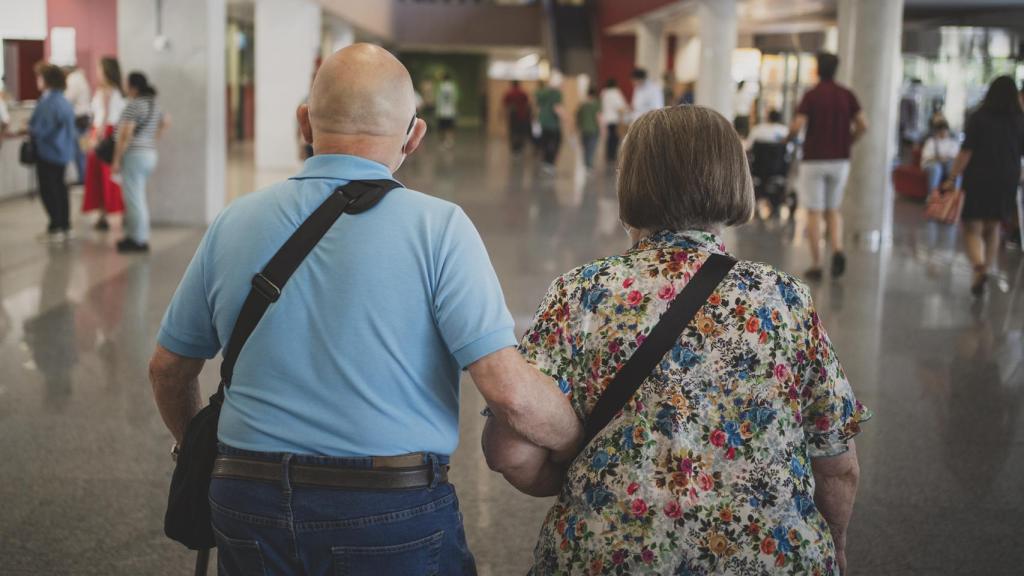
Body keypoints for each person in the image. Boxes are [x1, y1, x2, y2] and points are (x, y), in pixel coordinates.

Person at [149, 44, 582, 576]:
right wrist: (578, 440)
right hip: (386, 509)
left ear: (304, 122)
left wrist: (202, 451)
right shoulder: (439, 228)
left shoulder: (233, 222)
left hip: (245, 500)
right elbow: (509, 391)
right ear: (414, 135)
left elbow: (169, 369)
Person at [483, 105, 870, 575]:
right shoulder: (785, 299)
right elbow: (836, 461)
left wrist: (579, 481)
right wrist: (838, 542)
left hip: (608, 559)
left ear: (631, 182)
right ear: (735, 178)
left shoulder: (581, 293)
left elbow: (510, 450)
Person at [789, 52, 867, 281]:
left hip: (814, 158)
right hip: (840, 160)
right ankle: (838, 249)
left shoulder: (811, 96)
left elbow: (798, 125)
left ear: (817, 69)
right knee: (833, 210)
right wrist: (850, 140)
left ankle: (816, 264)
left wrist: (790, 135)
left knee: (814, 211)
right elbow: (864, 124)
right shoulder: (847, 95)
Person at [943, 75, 1024, 297]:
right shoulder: (1019, 119)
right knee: (993, 227)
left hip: (979, 177)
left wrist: (952, 177)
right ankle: (986, 269)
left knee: (973, 226)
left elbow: (966, 152)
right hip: (1007, 179)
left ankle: (978, 266)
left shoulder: (979, 117)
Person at [112, 72, 169, 253]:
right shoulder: (154, 105)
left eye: (127, 85)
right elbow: (166, 122)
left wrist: (116, 159)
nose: (125, 88)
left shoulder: (134, 105)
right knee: (137, 196)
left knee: (134, 198)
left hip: (135, 156)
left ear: (134, 87)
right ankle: (135, 236)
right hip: (149, 154)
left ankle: (138, 240)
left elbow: (124, 135)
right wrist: (153, 138)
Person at [28, 63, 78, 243]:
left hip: (48, 151)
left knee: (49, 190)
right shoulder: (64, 101)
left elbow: (41, 128)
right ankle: (65, 225)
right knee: (61, 189)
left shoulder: (47, 102)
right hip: (63, 151)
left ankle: (56, 225)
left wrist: (29, 129)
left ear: (46, 80)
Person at [82, 57, 125, 231]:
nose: (98, 73)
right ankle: (104, 213)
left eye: (100, 69)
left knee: (105, 175)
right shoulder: (117, 91)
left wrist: (96, 138)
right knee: (101, 175)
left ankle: (108, 213)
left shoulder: (107, 91)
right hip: (106, 132)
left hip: (104, 133)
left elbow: (104, 116)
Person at [64, 65, 91, 184]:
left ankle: (83, 178)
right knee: (83, 149)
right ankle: (85, 177)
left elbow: (67, 99)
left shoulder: (72, 79)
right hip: (85, 119)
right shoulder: (82, 79)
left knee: (78, 151)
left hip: (77, 120)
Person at [920, 118, 960, 192]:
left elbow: (955, 156)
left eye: (945, 130)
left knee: (954, 168)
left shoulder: (953, 142)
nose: (943, 132)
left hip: (948, 163)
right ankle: (932, 195)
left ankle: (955, 193)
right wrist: (940, 158)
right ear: (937, 131)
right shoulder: (931, 141)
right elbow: (927, 157)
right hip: (932, 163)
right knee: (936, 168)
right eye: (941, 130)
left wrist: (944, 158)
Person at [535, 74, 565, 170]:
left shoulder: (542, 92)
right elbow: (557, 108)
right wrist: (566, 118)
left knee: (544, 143)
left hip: (543, 122)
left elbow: (538, 107)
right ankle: (550, 163)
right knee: (555, 143)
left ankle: (545, 162)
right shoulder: (556, 93)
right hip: (553, 124)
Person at [600, 78, 628, 163]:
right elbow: (620, 107)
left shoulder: (604, 93)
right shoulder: (615, 93)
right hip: (615, 119)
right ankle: (612, 156)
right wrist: (624, 116)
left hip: (607, 119)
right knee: (615, 139)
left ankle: (609, 156)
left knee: (610, 138)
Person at [502, 79, 531, 153]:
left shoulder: (509, 93)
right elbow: (527, 104)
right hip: (522, 115)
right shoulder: (523, 93)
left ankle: (514, 148)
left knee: (513, 132)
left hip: (513, 115)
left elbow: (506, 105)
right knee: (521, 132)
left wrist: (503, 115)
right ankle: (520, 147)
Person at [576, 87, 601, 170]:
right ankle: (589, 165)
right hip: (594, 130)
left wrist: (578, 128)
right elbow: (598, 117)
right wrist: (602, 128)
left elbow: (578, 117)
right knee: (591, 148)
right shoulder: (596, 104)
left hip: (584, 129)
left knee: (585, 147)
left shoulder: (582, 105)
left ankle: (586, 163)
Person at [436, 72, 458, 149]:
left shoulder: (440, 86)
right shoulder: (453, 86)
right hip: (450, 111)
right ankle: (449, 141)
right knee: (450, 127)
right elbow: (455, 99)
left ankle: (442, 142)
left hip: (442, 111)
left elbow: (438, 99)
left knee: (442, 128)